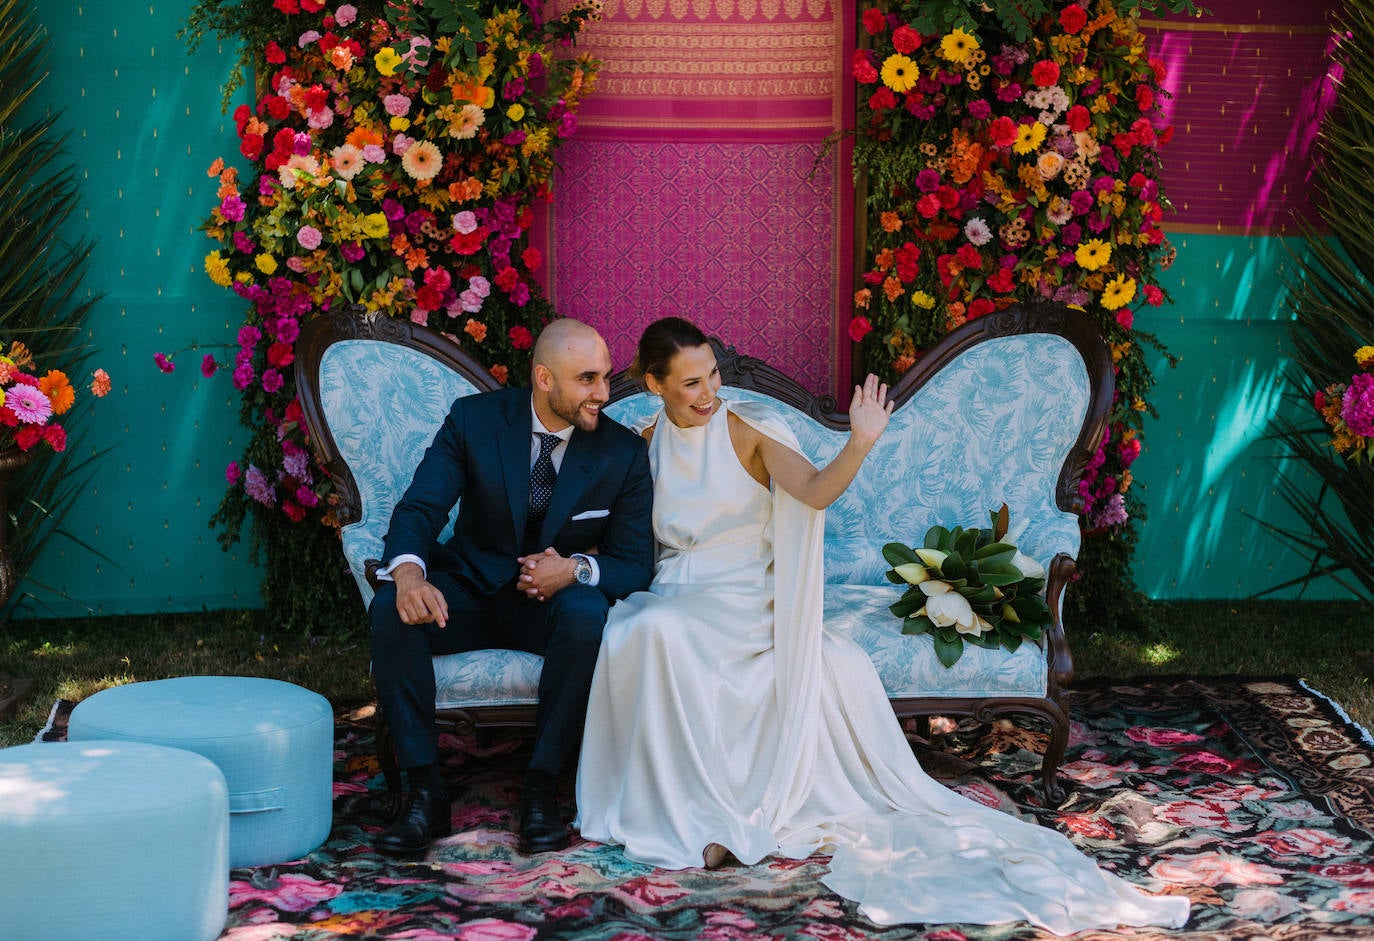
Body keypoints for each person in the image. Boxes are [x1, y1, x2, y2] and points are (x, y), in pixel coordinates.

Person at [574, 317, 1190, 935]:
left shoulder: (746, 428)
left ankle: (715, 818)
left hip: (744, 596)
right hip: (679, 589)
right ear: (653, 384)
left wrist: (862, 441)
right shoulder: (644, 441)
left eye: (711, 376)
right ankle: (683, 811)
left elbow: (814, 493)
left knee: (660, 634)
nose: (709, 393)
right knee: (638, 631)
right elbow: (616, 532)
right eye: (689, 384)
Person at [370, 318, 654, 856]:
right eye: (587, 379)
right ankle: (424, 793)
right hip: (470, 590)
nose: (604, 393)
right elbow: (421, 506)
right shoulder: (474, 420)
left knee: (585, 614)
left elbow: (634, 563)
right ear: (545, 379)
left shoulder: (622, 453)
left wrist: (573, 569)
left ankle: (541, 789)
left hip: (548, 606)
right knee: (392, 607)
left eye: (606, 377)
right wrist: (408, 573)